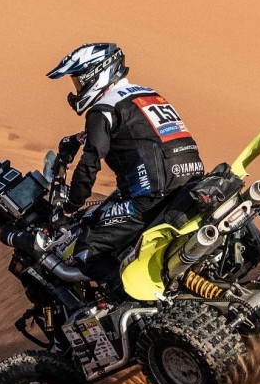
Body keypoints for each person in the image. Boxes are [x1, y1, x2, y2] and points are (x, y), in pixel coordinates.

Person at [47, 43, 205, 281]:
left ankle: (130, 297)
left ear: (96, 74)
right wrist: (76, 139)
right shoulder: (148, 94)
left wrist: (71, 205)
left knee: (84, 250)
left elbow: (90, 163)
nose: (77, 90)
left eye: (78, 81)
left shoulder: (103, 109)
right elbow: (138, 133)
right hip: (192, 181)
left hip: (150, 196)